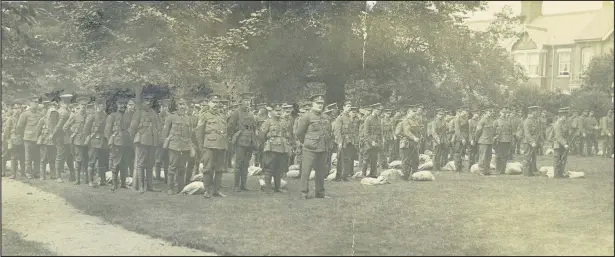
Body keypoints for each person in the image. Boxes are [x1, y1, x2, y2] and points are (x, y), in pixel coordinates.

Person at [295, 94, 330, 199]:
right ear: (312, 104)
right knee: (306, 172)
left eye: (322, 103)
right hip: (310, 148)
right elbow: (299, 133)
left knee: (320, 172)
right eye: (318, 103)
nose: (320, 105)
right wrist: (306, 142)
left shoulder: (325, 117)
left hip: (322, 147)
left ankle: (320, 193)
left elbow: (328, 131)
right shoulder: (307, 116)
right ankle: (303, 193)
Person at [196, 94, 229, 198]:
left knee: (219, 169)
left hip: (221, 145)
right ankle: (207, 190)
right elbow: (199, 132)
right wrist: (201, 146)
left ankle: (216, 190)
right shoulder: (204, 115)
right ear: (209, 103)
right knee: (207, 168)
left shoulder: (222, 115)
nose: (216, 104)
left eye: (217, 102)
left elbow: (225, 130)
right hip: (209, 145)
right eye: (213, 102)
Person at [129, 93, 162, 193]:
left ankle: (150, 186)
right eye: (147, 101)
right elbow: (132, 129)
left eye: (151, 101)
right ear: (143, 102)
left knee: (150, 164)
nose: (149, 103)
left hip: (152, 142)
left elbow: (157, 127)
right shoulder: (138, 113)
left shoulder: (154, 113)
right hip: (142, 141)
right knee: (141, 164)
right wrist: (135, 141)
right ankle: (141, 186)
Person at [161, 97, 194, 195]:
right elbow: (165, 132)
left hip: (184, 147)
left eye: (184, 105)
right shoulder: (171, 117)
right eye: (180, 105)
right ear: (177, 106)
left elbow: (190, 134)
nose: (182, 107)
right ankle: (170, 188)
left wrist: (190, 145)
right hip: (174, 145)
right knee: (172, 168)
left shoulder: (189, 119)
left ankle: (180, 188)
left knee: (182, 168)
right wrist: (166, 143)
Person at [228, 93, 258, 192]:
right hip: (240, 141)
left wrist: (254, 140)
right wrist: (234, 136)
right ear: (241, 102)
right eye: (245, 101)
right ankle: (236, 185)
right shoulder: (236, 113)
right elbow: (230, 126)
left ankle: (243, 185)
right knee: (238, 164)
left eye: (249, 101)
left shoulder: (251, 114)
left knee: (246, 164)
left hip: (249, 141)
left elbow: (254, 128)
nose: (247, 103)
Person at [259, 103, 293, 192]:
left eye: (280, 110)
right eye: (276, 110)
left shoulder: (283, 122)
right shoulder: (268, 122)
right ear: (272, 111)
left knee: (279, 169)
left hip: (282, 148)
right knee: (269, 168)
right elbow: (261, 135)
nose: (278, 112)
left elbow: (288, 134)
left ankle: (277, 188)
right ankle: (268, 187)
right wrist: (265, 144)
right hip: (271, 148)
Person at [105, 97, 132, 191]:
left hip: (127, 143)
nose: (122, 106)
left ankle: (123, 184)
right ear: (117, 105)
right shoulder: (112, 116)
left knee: (125, 163)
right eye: (120, 104)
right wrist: (111, 142)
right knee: (116, 163)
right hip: (116, 142)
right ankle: (114, 184)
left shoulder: (128, 116)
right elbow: (107, 131)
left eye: (124, 104)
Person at [64, 95, 90, 185]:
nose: (84, 106)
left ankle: (87, 179)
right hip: (78, 141)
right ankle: (77, 179)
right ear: (79, 105)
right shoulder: (75, 116)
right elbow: (65, 127)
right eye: (82, 105)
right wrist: (72, 133)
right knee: (78, 160)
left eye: (85, 105)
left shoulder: (89, 116)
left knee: (87, 160)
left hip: (88, 141)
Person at [83, 96, 109, 187]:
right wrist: (88, 138)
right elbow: (86, 129)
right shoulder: (92, 116)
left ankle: (102, 181)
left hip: (103, 141)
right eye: (100, 105)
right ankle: (90, 181)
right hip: (94, 141)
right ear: (97, 106)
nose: (102, 106)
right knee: (92, 160)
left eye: (103, 105)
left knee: (102, 161)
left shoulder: (106, 116)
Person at [16, 96, 43, 179]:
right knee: (28, 157)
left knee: (37, 156)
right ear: (30, 103)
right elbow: (20, 126)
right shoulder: (25, 114)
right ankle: (29, 173)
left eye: (37, 102)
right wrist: (23, 135)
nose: (36, 104)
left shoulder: (40, 114)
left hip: (37, 138)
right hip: (28, 138)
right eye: (34, 102)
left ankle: (37, 172)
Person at [333, 101, 358, 181]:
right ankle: (338, 176)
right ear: (343, 107)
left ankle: (344, 175)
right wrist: (339, 142)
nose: (349, 108)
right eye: (347, 106)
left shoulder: (350, 117)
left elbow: (352, 130)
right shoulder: (340, 118)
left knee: (347, 159)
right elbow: (337, 131)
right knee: (341, 159)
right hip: (343, 141)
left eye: (350, 106)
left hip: (349, 140)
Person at [54, 93, 76, 182]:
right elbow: (59, 126)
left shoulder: (67, 110)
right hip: (61, 136)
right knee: (60, 155)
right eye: (66, 102)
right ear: (63, 102)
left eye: (68, 101)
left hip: (66, 136)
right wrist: (54, 135)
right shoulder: (63, 111)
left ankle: (72, 175)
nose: (67, 103)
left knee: (69, 156)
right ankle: (58, 176)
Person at [395, 106, 421, 180]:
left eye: (415, 111)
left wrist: (418, 137)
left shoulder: (415, 120)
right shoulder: (404, 120)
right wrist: (413, 137)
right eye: (413, 111)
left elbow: (418, 130)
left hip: (415, 142)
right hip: (406, 142)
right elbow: (405, 131)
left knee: (415, 159)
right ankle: (405, 176)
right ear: (409, 111)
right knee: (406, 160)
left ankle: (415, 175)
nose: (415, 113)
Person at [36, 100, 59, 180]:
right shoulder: (43, 120)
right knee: (43, 159)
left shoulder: (56, 121)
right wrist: (39, 139)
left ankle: (53, 174)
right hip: (44, 142)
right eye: (51, 112)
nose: (52, 114)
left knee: (52, 158)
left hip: (53, 142)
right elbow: (37, 131)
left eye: (54, 113)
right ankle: (42, 175)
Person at [361, 103, 383, 178]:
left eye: (380, 110)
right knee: (366, 157)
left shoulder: (379, 119)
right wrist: (371, 142)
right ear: (374, 109)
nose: (379, 111)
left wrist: (380, 141)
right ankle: (363, 174)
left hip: (376, 141)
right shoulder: (368, 119)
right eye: (378, 110)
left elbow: (380, 132)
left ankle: (373, 173)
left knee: (374, 157)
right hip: (369, 142)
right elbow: (366, 133)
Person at [474, 106, 495, 176]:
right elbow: (478, 131)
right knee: (482, 157)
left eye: (492, 112)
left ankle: (487, 170)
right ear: (486, 112)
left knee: (489, 157)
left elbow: (492, 131)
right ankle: (481, 171)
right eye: (489, 111)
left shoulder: (491, 120)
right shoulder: (482, 120)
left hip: (489, 141)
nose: (491, 113)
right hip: (483, 141)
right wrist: (476, 140)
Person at [493, 107, 513, 174]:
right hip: (500, 140)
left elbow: (511, 131)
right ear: (500, 113)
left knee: (505, 155)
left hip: (507, 140)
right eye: (503, 112)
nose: (504, 114)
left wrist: (511, 139)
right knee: (499, 155)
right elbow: (493, 131)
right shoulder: (497, 121)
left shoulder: (509, 121)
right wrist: (495, 138)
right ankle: (498, 169)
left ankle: (502, 170)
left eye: (505, 113)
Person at [155, 98, 171, 182]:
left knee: (167, 161)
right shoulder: (157, 116)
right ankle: (157, 178)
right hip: (159, 142)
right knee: (158, 160)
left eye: (167, 107)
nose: (165, 108)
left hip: (168, 141)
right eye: (163, 106)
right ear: (160, 107)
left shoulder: (171, 117)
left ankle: (166, 179)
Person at [523, 106, 541, 176]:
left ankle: (531, 171)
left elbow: (538, 132)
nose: (537, 112)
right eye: (536, 111)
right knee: (527, 157)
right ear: (532, 112)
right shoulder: (528, 121)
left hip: (534, 142)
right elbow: (527, 133)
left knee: (533, 157)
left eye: (537, 111)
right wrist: (532, 142)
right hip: (528, 142)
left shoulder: (535, 120)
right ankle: (526, 172)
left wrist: (538, 141)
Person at [553, 107, 570, 178]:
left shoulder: (564, 123)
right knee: (557, 159)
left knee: (563, 159)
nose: (565, 117)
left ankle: (561, 173)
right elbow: (558, 136)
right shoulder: (558, 124)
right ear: (561, 115)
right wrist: (565, 144)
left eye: (566, 115)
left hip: (564, 144)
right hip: (558, 144)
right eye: (564, 115)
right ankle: (557, 174)